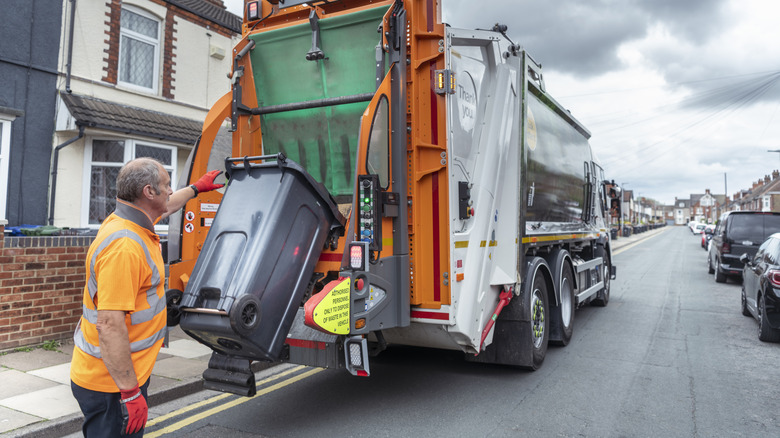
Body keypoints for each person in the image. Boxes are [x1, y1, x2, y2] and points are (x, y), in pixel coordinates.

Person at [70, 158, 223, 437]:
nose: (170, 191)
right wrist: (130, 392)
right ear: (149, 192)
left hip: (120, 376)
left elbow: (168, 205)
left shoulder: (130, 220)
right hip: (112, 386)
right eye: (167, 185)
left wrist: (196, 188)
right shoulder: (125, 246)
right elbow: (109, 325)